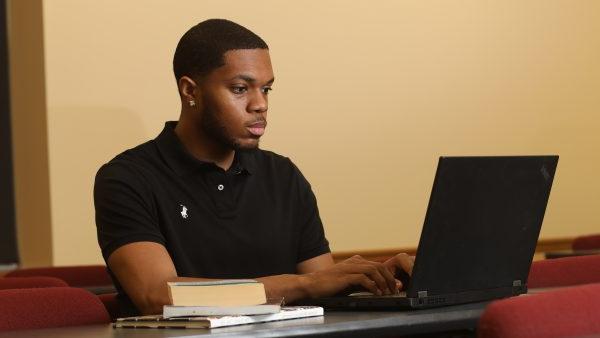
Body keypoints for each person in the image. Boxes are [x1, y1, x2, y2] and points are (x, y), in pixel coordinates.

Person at [94, 18, 414, 316]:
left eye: (266, 88)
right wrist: (304, 285)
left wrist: (380, 278)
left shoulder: (283, 175)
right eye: (240, 88)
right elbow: (157, 296)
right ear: (190, 91)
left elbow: (322, 289)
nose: (260, 103)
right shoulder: (126, 179)